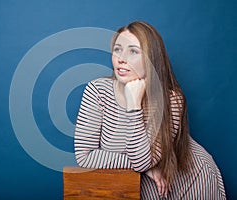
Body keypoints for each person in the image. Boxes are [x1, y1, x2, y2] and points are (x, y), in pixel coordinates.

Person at [74, 21, 226, 199]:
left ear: (151, 58)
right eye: (117, 49)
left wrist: (134, 106)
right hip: (143, 186)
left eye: (133, 51)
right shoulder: (98, 91)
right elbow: (85, 156)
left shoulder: (172, 100)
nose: (121, 58)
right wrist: (147, 169)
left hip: (190, 179)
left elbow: (142, 162)